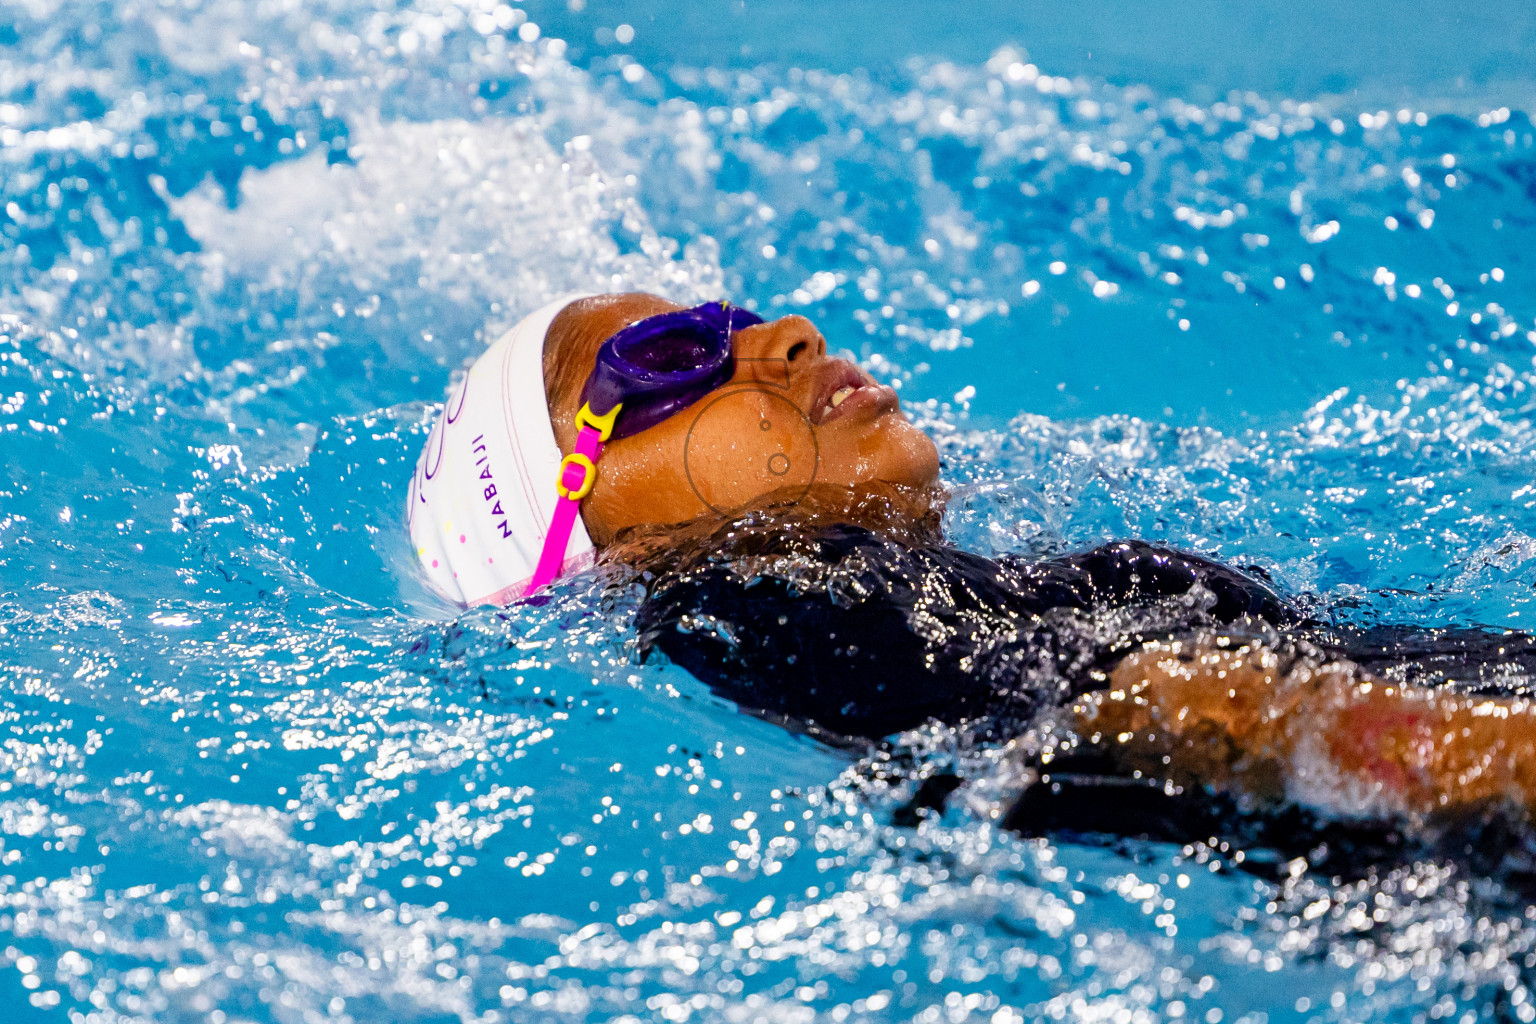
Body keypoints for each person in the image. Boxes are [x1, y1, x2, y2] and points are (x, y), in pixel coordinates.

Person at [408, 292, 1536, 851]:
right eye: (672, 359)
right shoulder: (746, 599)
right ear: (578, 526)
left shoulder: (881, 587)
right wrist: (1496, 759)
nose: (790, 334)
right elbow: (1144, 714)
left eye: (737, 319)